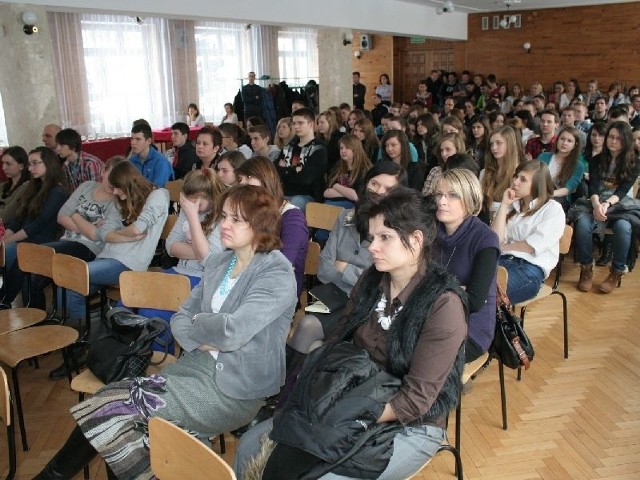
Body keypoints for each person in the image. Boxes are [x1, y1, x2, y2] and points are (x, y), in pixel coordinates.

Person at [33, 185, 297, 480]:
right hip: (195, 367)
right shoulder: (220, 262)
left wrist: (204, 324)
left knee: (113, 409)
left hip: (237, 388)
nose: (224, 224)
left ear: (260, 225)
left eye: (235, 220)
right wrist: (207, 328)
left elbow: (232, 332)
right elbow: (182, 318)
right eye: (224, 216)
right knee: (112, 411)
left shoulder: (277, 272)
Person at [234, 188, 467, 480]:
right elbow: (338, 341)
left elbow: (417, 399)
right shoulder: (373, 280)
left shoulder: (443, 305)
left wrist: (347, 414)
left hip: (408, 422)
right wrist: (319, 397)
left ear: (416, 240)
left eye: (385, 237)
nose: (372, 246)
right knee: (248, 447)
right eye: (373, 237)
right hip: (349, 391)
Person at [59, 161, 169, 322]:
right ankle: (78, 338)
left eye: (117, 187)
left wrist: (118, 233)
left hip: (129, 262)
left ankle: (76, 337)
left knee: (73, 275)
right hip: (107, 257)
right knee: (72, 284)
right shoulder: (122, 199)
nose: (115, 192)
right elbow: (103, 233)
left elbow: (138, 228)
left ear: (129, 184)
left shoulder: (158, 195)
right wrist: (125, 235)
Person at [16, 156, 126, 317]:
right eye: (110, 176)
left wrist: (75, 216)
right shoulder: (87, 186)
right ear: (103, 171)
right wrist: (87, 225)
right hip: (67, 241)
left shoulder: (118, 200)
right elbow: (61, 215)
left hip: (90, 249)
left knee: (37, 257)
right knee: (32, 270)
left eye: (117, 180)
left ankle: (47, 322)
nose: (112, 184)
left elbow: (97, 236)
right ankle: (35, 321)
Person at [136, 168, 227, 355]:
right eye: (189, 201)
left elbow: (211, 259)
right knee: (132, 299)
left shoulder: (222, 216)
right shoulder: (189, 210)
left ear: (211, 197)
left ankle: (162, 363)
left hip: (203, 280)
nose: (191, 206)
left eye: (196, 201)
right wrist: (200, 250)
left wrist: (193, 218)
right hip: (179, 272)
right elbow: (171, 245)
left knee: (153, 311)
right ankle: (150, 359)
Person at [432, 168, 499, 363]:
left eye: (452, 195)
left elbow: (475, 302)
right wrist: (455, 290)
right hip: (434, 317)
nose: (442, 201)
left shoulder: (485, 239)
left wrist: (434, 290)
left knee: (417, 356)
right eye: (439, 194)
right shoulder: (432, 231)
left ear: (469, 199)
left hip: (471, 329)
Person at [573, 121, 639, 294]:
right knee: (582, 224)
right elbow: (592, 186)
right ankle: (586, 268)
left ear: (625, 141)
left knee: (624, 227)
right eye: (611, 136)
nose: (613, 141)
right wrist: (596, 205)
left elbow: (623, 190)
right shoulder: (596, 160)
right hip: (595, 200)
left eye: (618, 138)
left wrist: (606, 204)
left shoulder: (634, 162)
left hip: (619, 204)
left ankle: (616, 272)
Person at [1, 147, 69, 308]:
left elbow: (38, 224)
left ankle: (4, 300)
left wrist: (9, 240)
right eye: (30, 164)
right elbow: (18, 218)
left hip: (42, 240)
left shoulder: (58, 191)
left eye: (35, 163)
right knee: (6, 250)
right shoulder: (33, 187)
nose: (30, 168)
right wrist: (5, 238)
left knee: (12, 252)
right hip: (24, 238)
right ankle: (4, 300)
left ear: (49, 164)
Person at [491, 160, 566, 304]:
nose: (515, 182)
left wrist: (502, 248)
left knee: (486, 295)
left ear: (537, 185)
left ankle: (492, 325)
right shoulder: (511, 205)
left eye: (523, 179)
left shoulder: (552, 209)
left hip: (528, 270)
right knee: (469, 284)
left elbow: (532, 245)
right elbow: (495, 239)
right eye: (516, 176)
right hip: (501, 261)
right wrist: (504, 205)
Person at [237, 156, 308, 297]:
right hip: (247, 282)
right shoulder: (247, 212)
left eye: (249, 177)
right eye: (240, 179)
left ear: (266, 179)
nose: (243, 184)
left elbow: (282, 266)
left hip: (277, 292)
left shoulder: (293, 218)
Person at [276, 107, 328, 212]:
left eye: (300, 123)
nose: (296, 126)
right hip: (284, 193)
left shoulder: (319, 149)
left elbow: (305, 179)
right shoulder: (288, 147)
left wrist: (285, 170)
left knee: (289, 208)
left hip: (307, 196)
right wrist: (295, 170)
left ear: (311, 124)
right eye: (294, 123)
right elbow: (275, 171)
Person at [481, 125, 525, 220]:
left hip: (508, 221)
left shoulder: (519, 175)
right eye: (491, 144)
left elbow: (516, 207)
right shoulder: (484, 173)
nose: (494, 148)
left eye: (498, 143)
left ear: (509, 144)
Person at [538, 126, 585, 210]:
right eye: (562, 139)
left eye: (569, 141)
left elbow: (568, 189)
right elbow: (534, 178)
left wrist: (547, 195)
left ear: (575, 145)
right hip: (538, 192)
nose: (564, 143)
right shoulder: (543, 156)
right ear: (557, 140)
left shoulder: (578, 166)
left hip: (559, 200)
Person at [323, 134, 373, 208]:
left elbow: (356, 196)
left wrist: (336, 186)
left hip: (354, 207)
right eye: (341, 148)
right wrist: (347, 193)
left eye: (347, 148)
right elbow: (326, 192)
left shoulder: (364, 169)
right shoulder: (338, 165)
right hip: (332, 202)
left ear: (356, 149)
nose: (343, 151)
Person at [129, 123, 174, 187]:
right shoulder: (131, 161)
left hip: (157, 196)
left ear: (149, 141)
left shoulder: (161, 162)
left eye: (138, 139)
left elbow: (157, 190)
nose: (133, 143)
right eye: (132, 139)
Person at [0, 146, 30, 224]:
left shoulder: (26, 186)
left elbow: (5, 217)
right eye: (3, 163)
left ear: (21, 166)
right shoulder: (2, 186)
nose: (3, 168)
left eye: (8, 164)